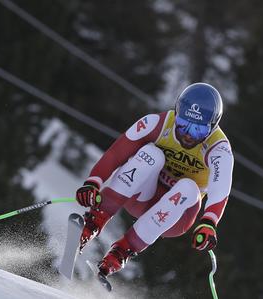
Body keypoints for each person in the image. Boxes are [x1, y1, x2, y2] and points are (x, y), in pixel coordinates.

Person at [75, 82, 234, 278]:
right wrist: (93, 182)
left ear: (212, 127)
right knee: (151, 154)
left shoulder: (220, 150)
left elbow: (221, 188)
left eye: (198, 131)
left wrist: (209, 221)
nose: (187, 135)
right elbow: (117, 153)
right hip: (141, 196)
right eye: (183, 124)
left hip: (175, 216)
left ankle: (122, 251)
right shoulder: (157, 124)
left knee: (189, 188)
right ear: (176, 113)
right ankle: (94, 222)